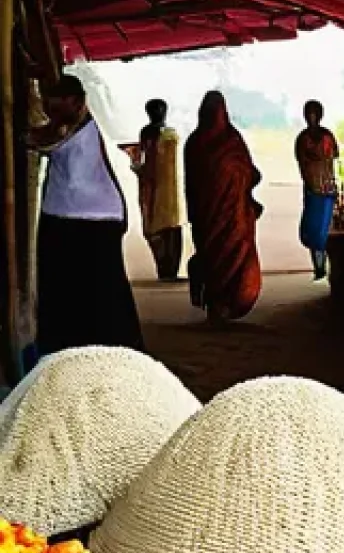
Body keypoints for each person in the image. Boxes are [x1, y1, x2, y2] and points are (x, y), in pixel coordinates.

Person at [27, 74, 144, 355]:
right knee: (86, 290)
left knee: (91, 291)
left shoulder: (72, 126)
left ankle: (98, 349)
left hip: (84, 218)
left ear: (77, 102)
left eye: (58, 105)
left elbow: (38, 140)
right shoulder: (73, 124)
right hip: (79, 215)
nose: (52, 112)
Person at [184, 91, 263, 325]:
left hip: (213, 218)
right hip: (230, 218)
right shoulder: (232, 141)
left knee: (218, 258)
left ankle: (219, 304)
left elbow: (192, 185)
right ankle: (223, 305)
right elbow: (251, 173)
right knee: (229, 259)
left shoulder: (196, 143)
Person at [131, 98, 186, 281]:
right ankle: (169, 270)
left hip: (157, 187)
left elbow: (146, 161)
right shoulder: (169, 134)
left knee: (158, 226)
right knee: (169, 227)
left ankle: (165, 270)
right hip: (168, 188)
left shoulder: (152, 133)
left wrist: (139, 168)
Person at [294, 100, 339, 280]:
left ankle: (325, 267)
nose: (311, 117)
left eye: (314, 113)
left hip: (325, 190)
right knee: (315, 230)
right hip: (315, 190)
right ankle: (319, 267)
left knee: (326, 230)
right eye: (309, 114)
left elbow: (333, 156)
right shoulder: (306, 138)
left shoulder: (317, 137)